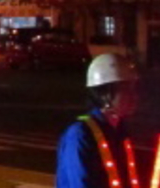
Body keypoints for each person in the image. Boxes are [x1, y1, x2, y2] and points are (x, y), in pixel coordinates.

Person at [56, 53, 142, 188]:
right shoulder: (80, 135)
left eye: (134, 88)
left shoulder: (119, 131)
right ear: (105, 94)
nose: (134, 96)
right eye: (126, 89)